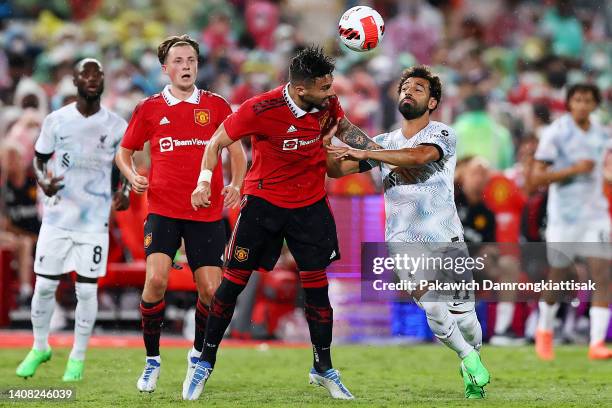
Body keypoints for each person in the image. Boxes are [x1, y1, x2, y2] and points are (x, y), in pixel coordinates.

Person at [185, 46, 358, 401]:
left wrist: (381, 154)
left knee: (317, 290)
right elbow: (217, 141)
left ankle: (323, 368)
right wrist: (204, 180)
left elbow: (346, 130)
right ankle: (204, 361)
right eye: (324, 88)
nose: (331, 94)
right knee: (231, 285)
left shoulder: (326, 104)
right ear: (300, 90)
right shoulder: (259, 109)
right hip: (263, 205)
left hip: (310, 205)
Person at [326, 65, 490, 399]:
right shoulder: (384, 142)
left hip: (445, 237)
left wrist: (366, 151)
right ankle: (466, 356)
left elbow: (418, 157)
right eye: (404, 87)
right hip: (404, 241)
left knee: (468, 323)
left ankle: (471, 352)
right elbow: (338, 170)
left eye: (417, 88)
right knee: (430, 303)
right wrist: (329, 145)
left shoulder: (442, 134)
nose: (408, 91)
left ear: (432, 102)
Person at [114, 35, 247, 393]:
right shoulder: (150, 108)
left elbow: (236, 151)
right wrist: (132, 176)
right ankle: (152, 361)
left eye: (190, 60)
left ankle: (197, 355)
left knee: (210, 291)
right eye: (178, 60)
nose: (185, 66)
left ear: (197, 65)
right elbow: (124, 153)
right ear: (165, 68)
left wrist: (237, 183)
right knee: (156, 281)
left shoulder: (218, 106)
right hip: (162, 209)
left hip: (205, 213)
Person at [15, 58, 129, 381]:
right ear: (75, 82)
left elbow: (124, 167)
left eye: (98, 74)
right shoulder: (56, 121)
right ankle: (40, 346)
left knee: (87, 292)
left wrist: (125, 192)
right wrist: (42, 180)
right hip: (56, 217)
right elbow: (38, 161)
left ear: (104, 81)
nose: (92, 79)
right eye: (85, 74)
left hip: (94, 222)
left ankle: (77, 358)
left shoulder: (117, 126)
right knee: (45, 287)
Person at [530, 83, 611, 360]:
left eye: (588, 100)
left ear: (595, 104)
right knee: (559, 276)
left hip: (596, 215)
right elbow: (537, 177)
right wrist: (574, 170)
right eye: (577, 100)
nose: (582, 105)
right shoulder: (556, 133)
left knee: (603, 274)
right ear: (569, 103)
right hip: (564, 216)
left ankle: (596, 343)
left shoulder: (602, 134)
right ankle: (544, 331)